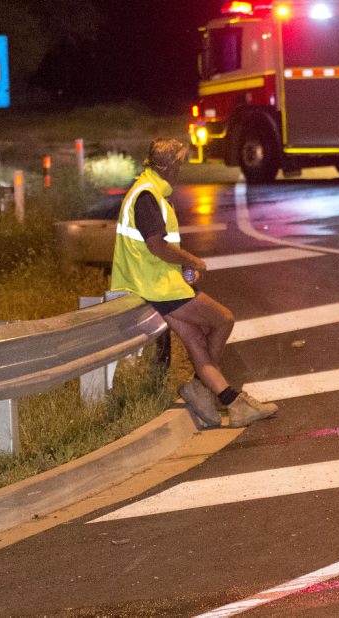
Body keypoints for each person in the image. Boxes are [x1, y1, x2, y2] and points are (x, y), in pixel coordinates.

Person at [111, 138, 277, 428]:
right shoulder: (147, 195)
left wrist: (181, 268)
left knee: (197, 341)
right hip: (156, 286)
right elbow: (156, 246)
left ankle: (229, 401)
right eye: (179, 163)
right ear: (167, 165)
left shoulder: (151, 191)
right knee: (223, 319)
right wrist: (193, 261)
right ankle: (204, 390)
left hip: (158, 282)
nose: (181, 169)